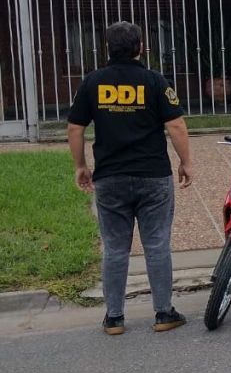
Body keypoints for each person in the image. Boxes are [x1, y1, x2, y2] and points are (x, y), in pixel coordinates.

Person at [67, 21, 193, 335]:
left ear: (108, 48)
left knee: (114, 248)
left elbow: (75, 128)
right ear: (140, 47)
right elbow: (176, 125)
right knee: (157, 245)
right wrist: (186, 162)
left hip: (110, 177)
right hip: (153, 176)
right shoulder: (154, 80)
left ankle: (114, 318)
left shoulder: (92, 82)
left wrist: (81, 166)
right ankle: (164, 313)